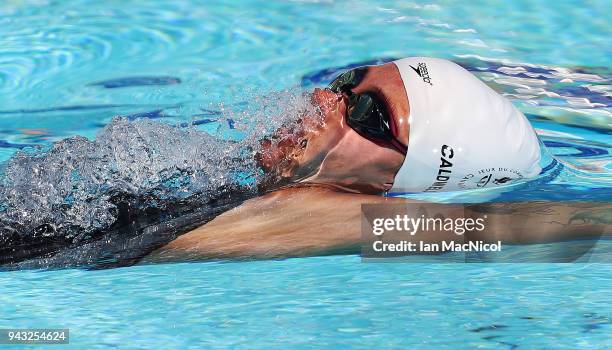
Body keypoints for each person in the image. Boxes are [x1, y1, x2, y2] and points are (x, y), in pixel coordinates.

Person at [143, 57, 609, 263]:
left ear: (395, 187)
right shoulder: (214, 171)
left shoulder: (334, 218)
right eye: (349, 83)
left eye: (368, 114)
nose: (326, 99)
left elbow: (503, 225)